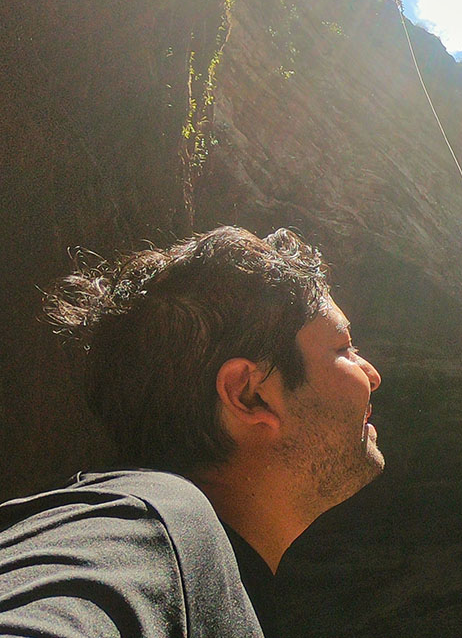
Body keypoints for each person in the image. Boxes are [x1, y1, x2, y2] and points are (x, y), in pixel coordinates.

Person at [0, 226, 383, 638]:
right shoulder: (145, 524)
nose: (372, 376)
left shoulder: (199, 570)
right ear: (249, 395)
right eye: (344, 348)